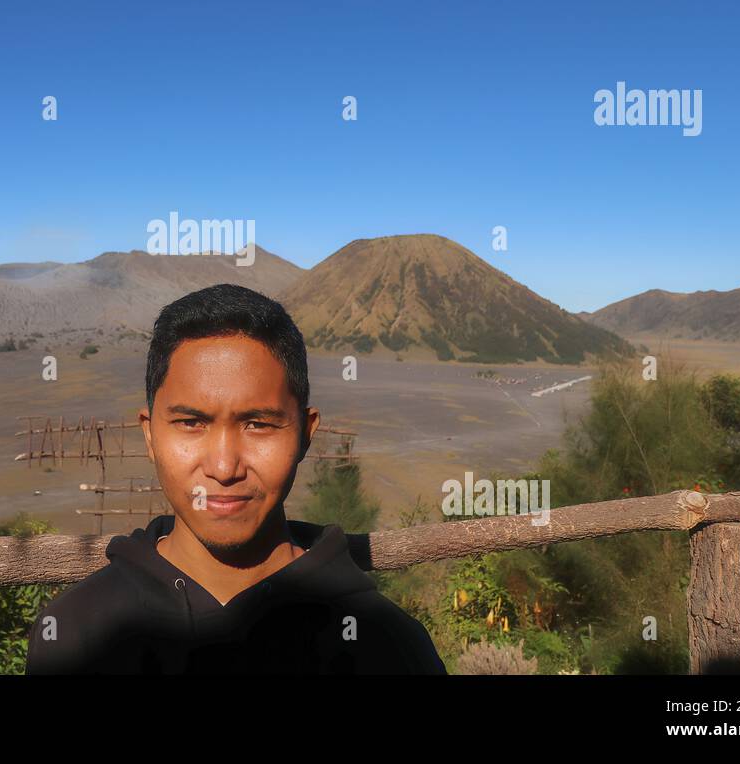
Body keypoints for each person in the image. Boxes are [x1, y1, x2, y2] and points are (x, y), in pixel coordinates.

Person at [25, 283, 446, 674]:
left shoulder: (387, 646)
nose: (224, 468)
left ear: (305, 434)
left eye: (259, 424)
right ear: (150, 435)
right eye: (191, 422)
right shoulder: (76, 633)